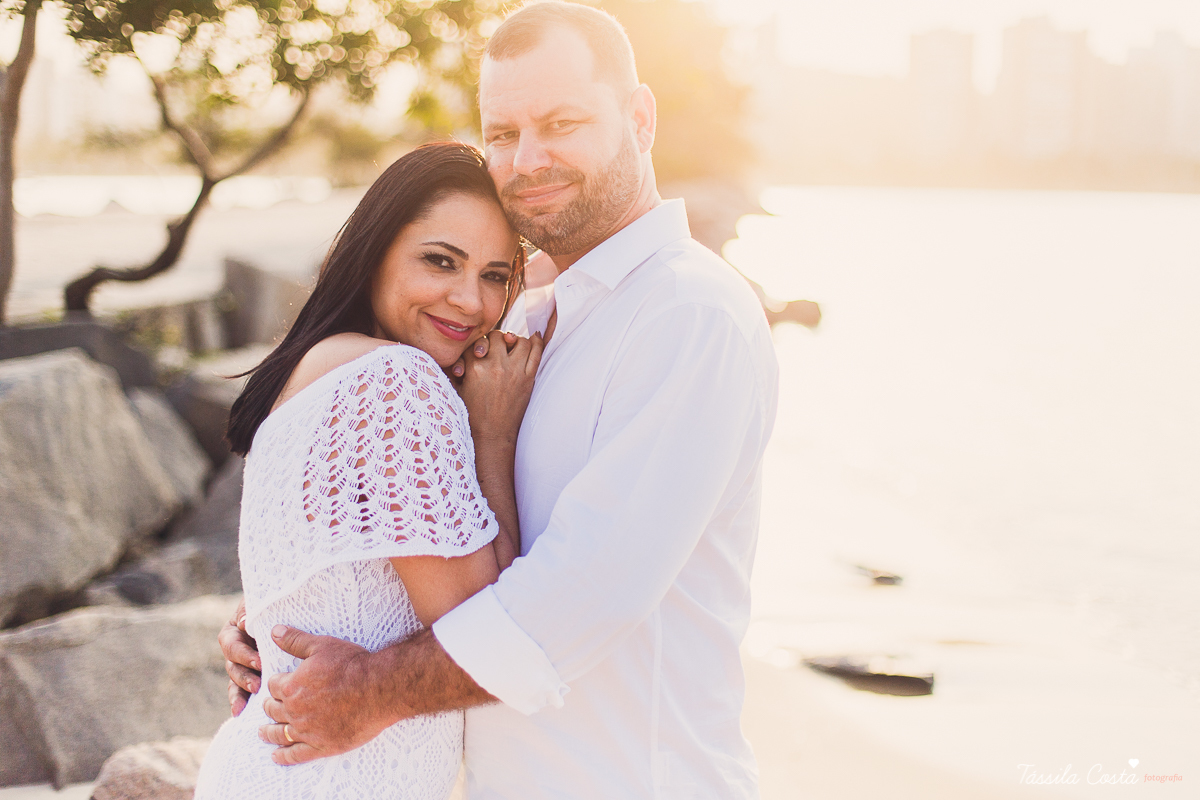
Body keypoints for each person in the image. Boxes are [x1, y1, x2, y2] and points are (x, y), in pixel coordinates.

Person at [221, 2, 780, 798]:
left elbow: (584, 590)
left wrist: (365, 689)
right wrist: (270, 624)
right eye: (504, 133)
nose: (529, 158)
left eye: (561, 123)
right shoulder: (519, 321)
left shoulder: (688, 315)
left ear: (639, 118)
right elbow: (389, 513)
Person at [195, 141, 542, 799]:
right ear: (376, 250)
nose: (470, 302)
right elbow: (484, 630)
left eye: (496, 276)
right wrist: (493, 436)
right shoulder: (396, 379)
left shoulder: (315, 367)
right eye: (441, 261)